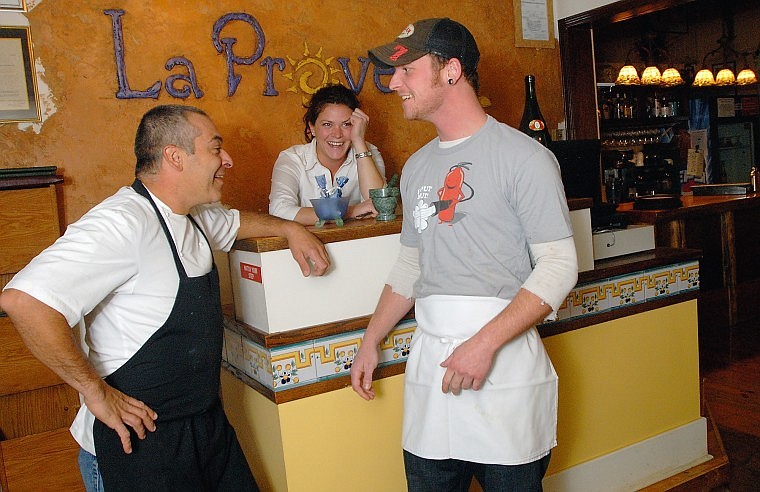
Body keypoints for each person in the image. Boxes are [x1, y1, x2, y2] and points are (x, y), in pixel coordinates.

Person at [0, 105, 330, 492]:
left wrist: (292, 229)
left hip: (206, 429)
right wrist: (94, 391)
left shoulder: (195, 215)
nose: (227, 160)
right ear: (175, 156)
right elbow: (24, 300)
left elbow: (239, 222)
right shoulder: (123, 222)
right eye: (214, 148)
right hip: (138, 445)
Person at [349, 18, 579, 491]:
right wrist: (372, 337)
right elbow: (411, 266)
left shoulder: (524, 157)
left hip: (503, 369)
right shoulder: (416, 167)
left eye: (407, 71)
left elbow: (559, 266)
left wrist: (483, 344)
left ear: (450, 70)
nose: (394, 84)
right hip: (431, 373)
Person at [269, 83, 386, 225]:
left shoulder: (369, 153)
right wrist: (352, 211)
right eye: (327, 124)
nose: (337, 134)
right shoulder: (292, 159)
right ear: (312, 127)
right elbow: (279, 211)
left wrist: (359, 142)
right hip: (307, 245)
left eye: (346, 124)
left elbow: (380, 206)